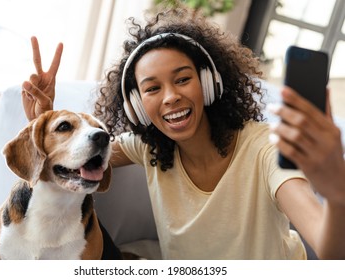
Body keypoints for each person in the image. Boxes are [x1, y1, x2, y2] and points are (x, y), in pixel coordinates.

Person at [21, 7, 345, 259]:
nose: (170, 96)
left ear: (209, 83)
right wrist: (43, 118)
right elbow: (71, 157)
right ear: (136, 105)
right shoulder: (146, 148)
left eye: (182, 79)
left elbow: (330, 250)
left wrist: (337, 192)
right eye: (151, 88)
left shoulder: (262, 148)